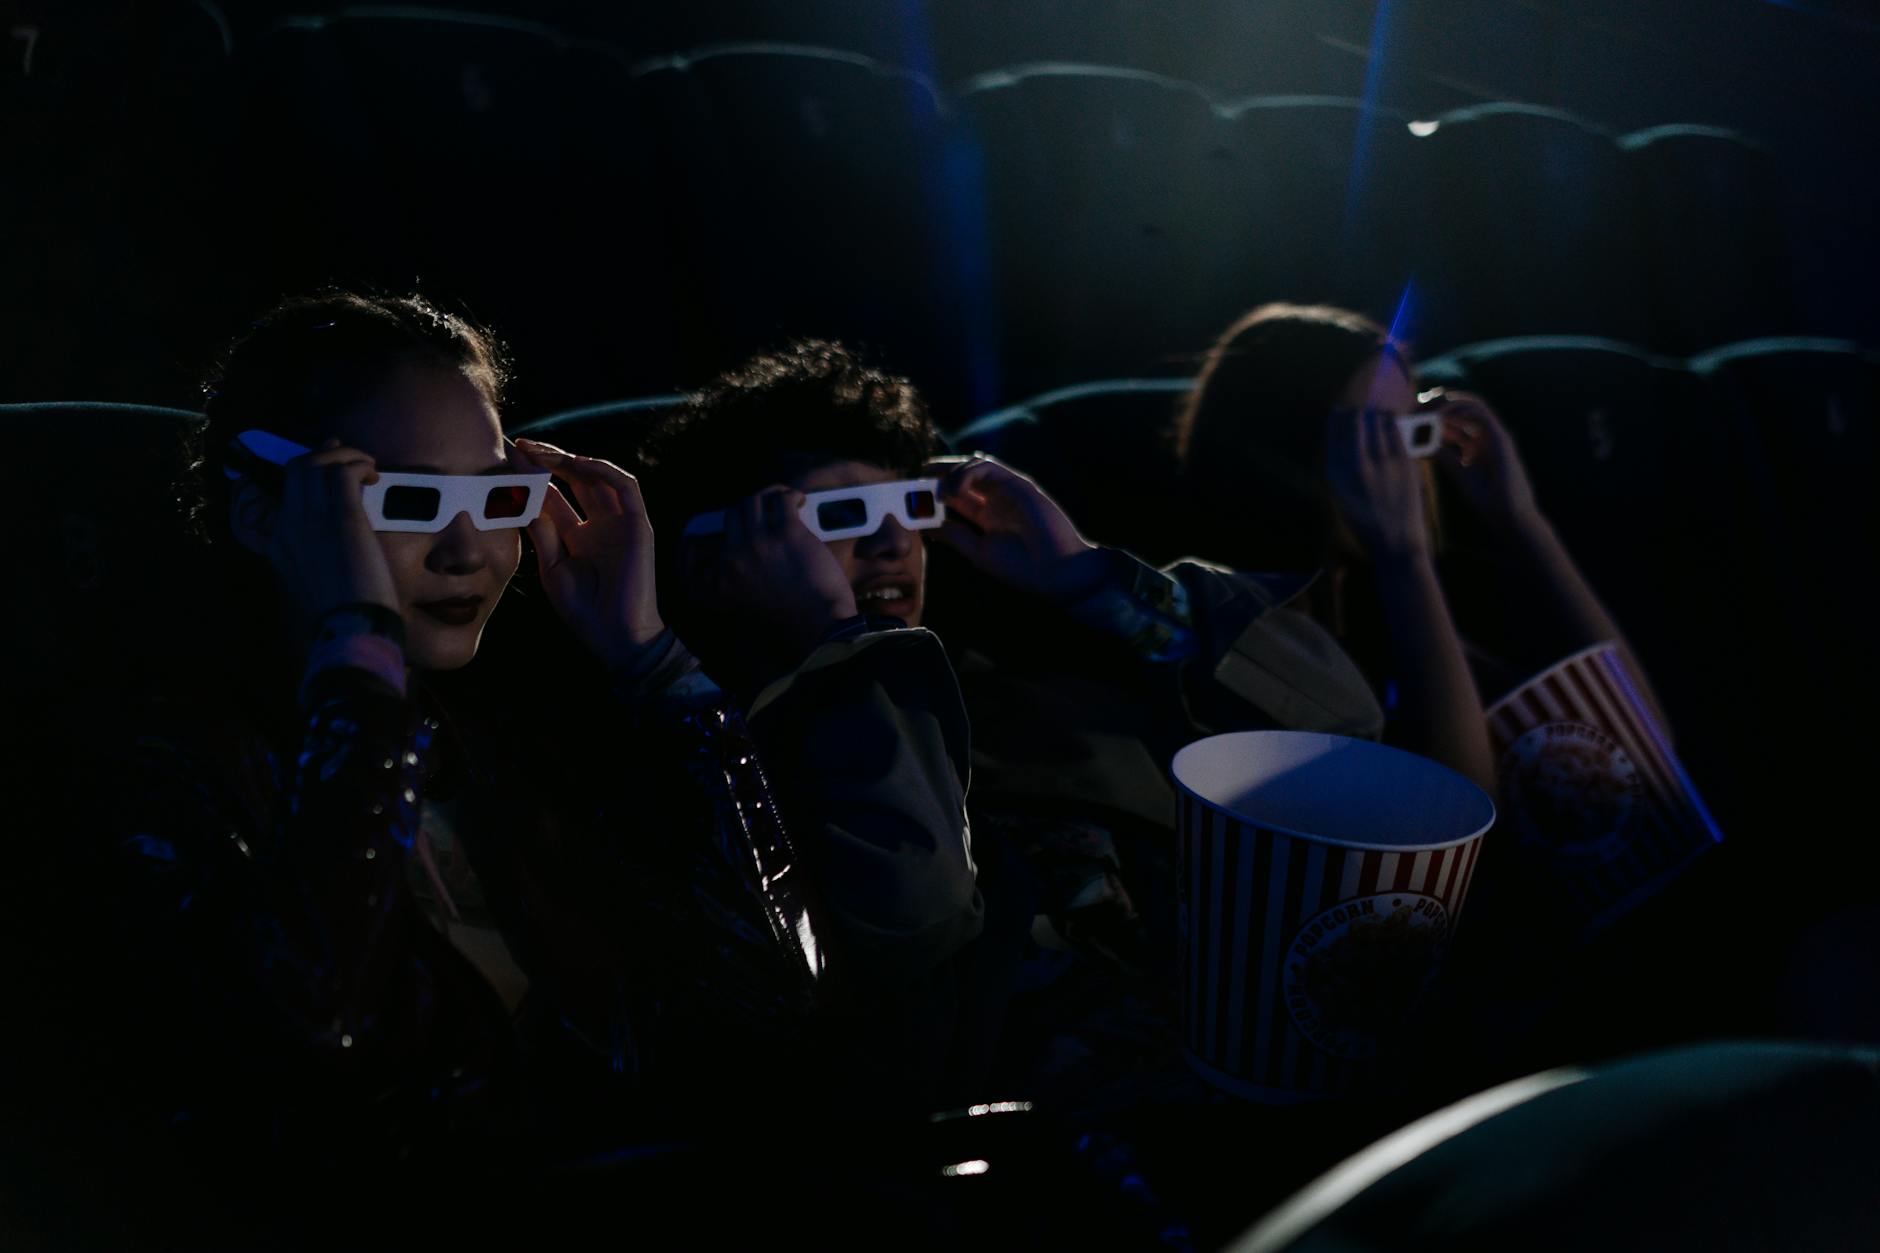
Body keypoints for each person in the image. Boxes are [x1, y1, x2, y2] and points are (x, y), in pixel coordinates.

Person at [14, 293, 971, 1248]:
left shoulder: (519, 746)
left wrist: (651, 660)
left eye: (493, 500)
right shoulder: (158, 770)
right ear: (268, 512)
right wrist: (358, 648)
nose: (470, 550)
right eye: (410, 501)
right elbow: (308, 1042)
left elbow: (781, 997)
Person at [636, 340, 1386, 1110]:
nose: (894, 543)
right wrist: (836, 648)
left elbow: (1346, 734)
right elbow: (911, 936)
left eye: (908, 509)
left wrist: (1090, 579)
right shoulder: (728, 778)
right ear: (713, 555)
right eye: (842, 514)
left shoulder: (1030, 692)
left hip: (1266, 1073)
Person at [1172, 303, 1673, 793]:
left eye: (1412, 428)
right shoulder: (1235, 630)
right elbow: (1457, 804)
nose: (1409, 464)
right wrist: (1404, 559)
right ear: (1289, 455)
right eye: (1376, 437)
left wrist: (1521, 520)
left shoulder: (1391, 598)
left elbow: (1637, 748)